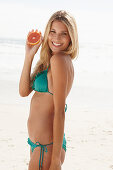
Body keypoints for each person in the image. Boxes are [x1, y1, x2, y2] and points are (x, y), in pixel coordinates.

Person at [19, 10, 79, 170]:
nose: (56, 38)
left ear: (71, 38)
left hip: (47, 147)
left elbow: (60, 111)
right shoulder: (51, 61)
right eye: (53, 31)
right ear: (47, 33)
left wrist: (55, 160)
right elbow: (24, 91)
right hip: (39, 145)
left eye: (63, 33)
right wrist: (29, 56)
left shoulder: (59, 60)